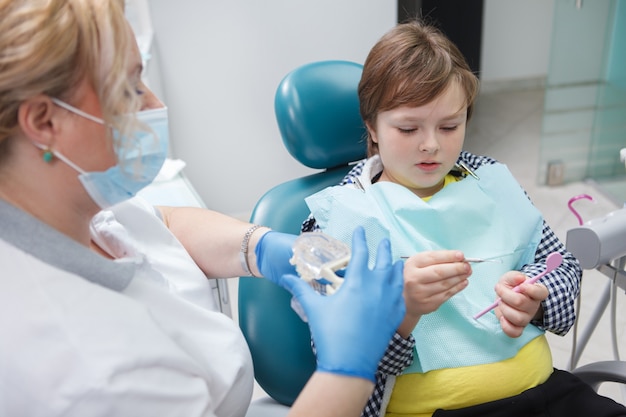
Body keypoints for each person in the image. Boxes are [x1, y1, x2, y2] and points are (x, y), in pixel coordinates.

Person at [0, 1, 407, 416]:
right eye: (129, 90)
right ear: (44, 122)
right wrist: (349, 368)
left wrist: (265, 248)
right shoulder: (94, 377)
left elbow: (163, 223)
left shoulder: (64, 202)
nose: (155, 105)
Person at [301, 19, 626, 417]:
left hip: (546, 393)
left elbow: (560, 268)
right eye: (408, 128)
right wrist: (402, 313)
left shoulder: (490, 182)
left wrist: (536, 300)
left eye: (450, 125)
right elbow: (332, 357)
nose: (432, 145)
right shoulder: (333, 220)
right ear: (371, 125)